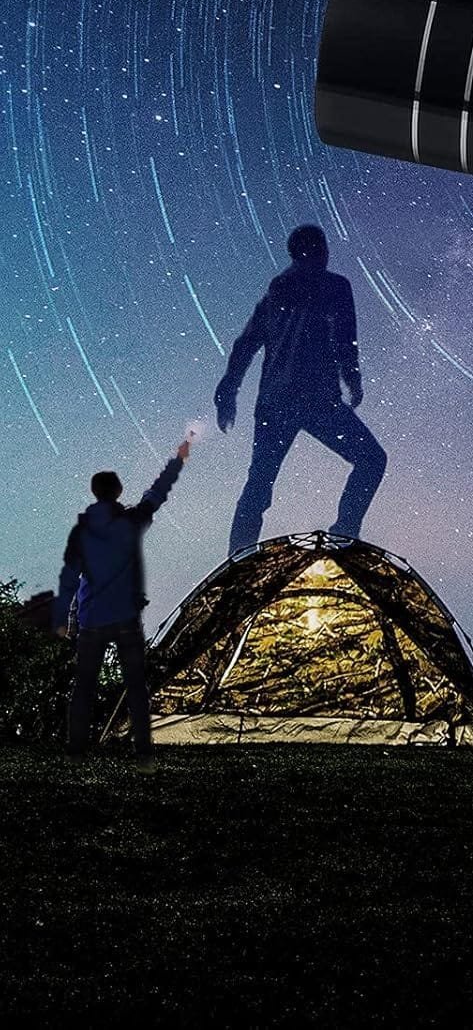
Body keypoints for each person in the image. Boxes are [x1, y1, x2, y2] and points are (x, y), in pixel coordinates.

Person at [215, 223, 387, 554]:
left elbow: (245, 344)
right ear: (317, 251)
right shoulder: (335, 286)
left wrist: (229, 389)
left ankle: (239, 556)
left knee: (259, 482)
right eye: (323, 248)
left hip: (274, 402)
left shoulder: (274, 295)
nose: (326, 254)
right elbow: (346, 339)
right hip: (318, 401)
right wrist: (353, 380)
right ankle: (343, 536)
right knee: (371, 460)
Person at [55, 440, 191, 771]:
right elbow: (157, 493)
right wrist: (177, 461)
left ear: (95, 493)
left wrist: (62, 618)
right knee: (136, 688)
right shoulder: (131, 521)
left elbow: (69, 575)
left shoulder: (82, 531)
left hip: (91, 618)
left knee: (83, 687)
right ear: (118, 492)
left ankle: (75, 753)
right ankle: (143, 756)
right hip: (126, 617)